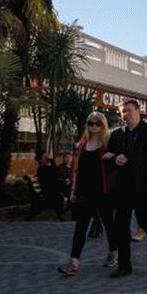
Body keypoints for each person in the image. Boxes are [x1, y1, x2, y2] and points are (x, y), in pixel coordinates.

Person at [106, 100, 147, 278]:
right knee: (121, 227)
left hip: (145, 188)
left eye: (128, 110)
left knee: (146, 222)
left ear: (138, 111)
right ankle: (124, 265)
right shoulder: (116, 135)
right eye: (122, 112)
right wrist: (114, 160)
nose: (125, 114)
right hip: (123, 188)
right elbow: (108, 158)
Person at [58, 112, 118, 276]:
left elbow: (114, 166)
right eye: (91, 123)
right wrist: (74, 191)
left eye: (97, 124)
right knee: (80, 226)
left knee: (108, 223)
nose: (94, 127)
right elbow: (78, 171)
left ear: (103, 125)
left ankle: (113, 251)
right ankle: (74, 261)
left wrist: (113, 158)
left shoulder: (108, 144)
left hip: (104, 192)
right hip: (86, 192)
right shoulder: (83, 145)